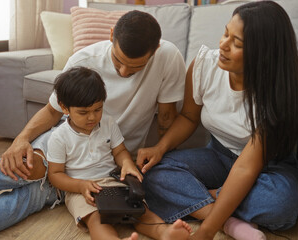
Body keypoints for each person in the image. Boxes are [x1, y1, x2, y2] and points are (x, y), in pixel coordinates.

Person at [0, 10, 185, 240]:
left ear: (156, 51)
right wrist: (22, 139)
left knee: (32, 197)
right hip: (71, 138)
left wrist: (160, 157)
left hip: (108, 160)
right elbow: (53, 112)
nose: (123, 72)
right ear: (111, 35)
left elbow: (166, 118)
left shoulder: (168, 57)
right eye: (118, 61)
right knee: (26, 167)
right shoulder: (84, 61)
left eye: (135, 68)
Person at [136, 2, 298, 240]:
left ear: (263, 53)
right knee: (154, 173)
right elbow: (187, 117)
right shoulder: (204, 64)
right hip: (218, 155)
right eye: (226, 33)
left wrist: (205, 233)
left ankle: (201, 202)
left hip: (270, 167)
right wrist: (160, 147)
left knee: (281, 204)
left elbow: (247, 167)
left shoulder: (278, 97)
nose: (223, 45)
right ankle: (229, 221)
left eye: (237, 43)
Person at [47, 67, 191, 240]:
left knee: (140, 211)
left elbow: (120, 151)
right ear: (64, 108)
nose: (92, 117)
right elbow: (54, 175)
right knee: (97, 218)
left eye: (98, 109)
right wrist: (80, 185)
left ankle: (165, 233)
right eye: (83, 113)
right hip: (81, 190)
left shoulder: (108, 123)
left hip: (113, 181)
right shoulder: (59, 137)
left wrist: (128, 164)